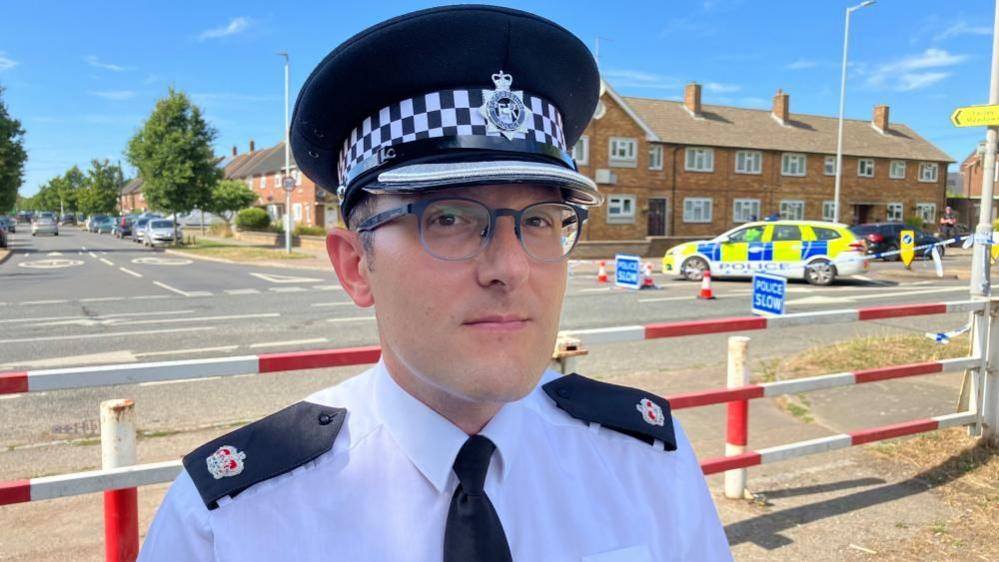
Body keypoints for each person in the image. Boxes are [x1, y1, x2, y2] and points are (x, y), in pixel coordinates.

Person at [138, 6, 731, 561]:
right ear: (354, 266)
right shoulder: (233, 524)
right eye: (448, 218)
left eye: (542, 222)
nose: (512, 267)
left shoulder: (644, 464)